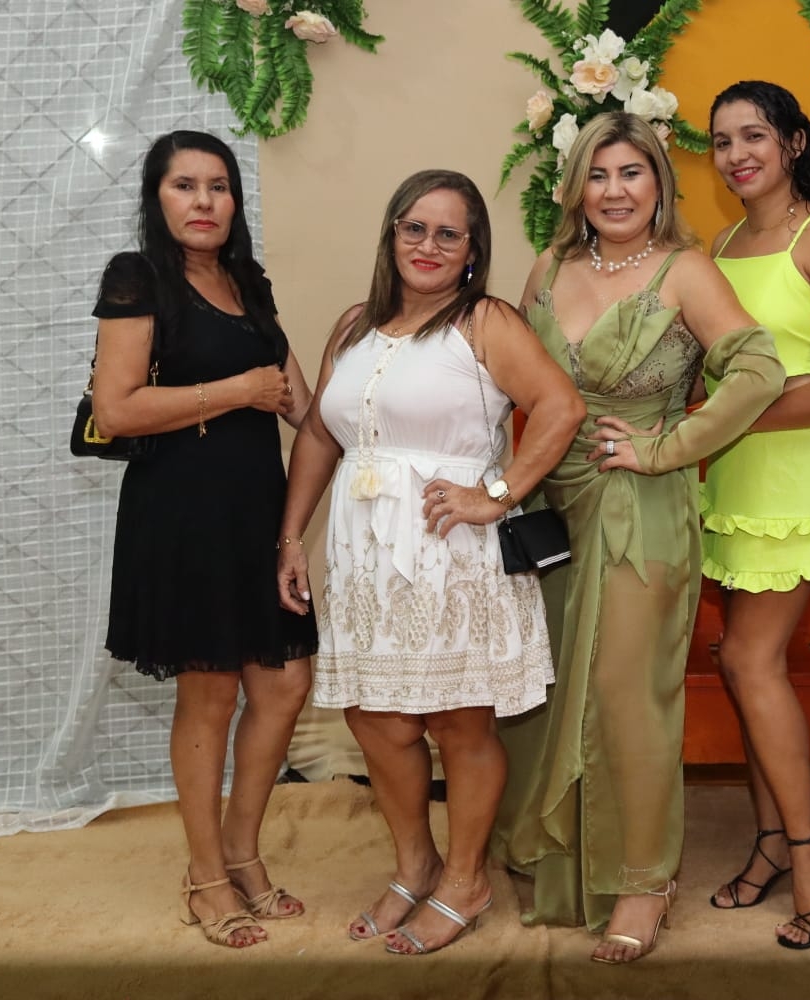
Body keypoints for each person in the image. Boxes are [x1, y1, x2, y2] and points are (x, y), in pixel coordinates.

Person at [492, 111, 786, 965]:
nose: (615, 191)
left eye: (632, 173)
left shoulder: (684, 270)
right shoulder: (548, 268)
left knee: (628, 695)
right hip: (553, 509)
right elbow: (508, 377)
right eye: (599, 174)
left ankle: (644, 881)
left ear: (659, 183)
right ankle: (563, 860)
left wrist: (667, 448)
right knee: (549, 689)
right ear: (576, 187)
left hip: (642, 509)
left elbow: (760, 370)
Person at [274, 169, 584, 956]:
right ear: (392, 235)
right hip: (364, 557)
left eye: (449, 233)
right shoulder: (353, 325)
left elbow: (561, 406)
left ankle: (466, 879)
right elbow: (321, 434)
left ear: (473, 249)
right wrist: (290, 536)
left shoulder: (485, 321)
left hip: (452, 555)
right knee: (374, 717)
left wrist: (495, 494)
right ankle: (416, 865)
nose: (428, 245)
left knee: (458, 721)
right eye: (414, 228)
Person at [90, 130, 317, 948]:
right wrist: (235, 389)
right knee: (211, 694)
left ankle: (242, 852)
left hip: (258, 515)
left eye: (218, 186)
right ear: (157, 197)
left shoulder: (247, 281)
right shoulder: (138, 277)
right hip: (182, 517)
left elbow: (302, 406)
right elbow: (116, 408)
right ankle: (206, 875)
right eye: (184, 185)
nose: (203, 201)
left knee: (286, 685)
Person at [702, 80, 810, 950]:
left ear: (795, 143)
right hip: (734, 480)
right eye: (722, 141)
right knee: (742, 666)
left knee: (750, 658)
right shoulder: (722, 244)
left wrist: (729, 419)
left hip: (799, 477)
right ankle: (772, 838)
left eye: (754, 136)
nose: (737, 155)